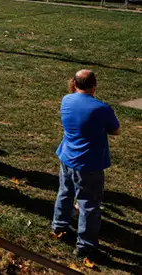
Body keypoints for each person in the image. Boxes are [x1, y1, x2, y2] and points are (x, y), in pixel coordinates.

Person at [51, 70, 120, 260]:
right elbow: (116, 130)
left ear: (74, 83)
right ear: (94, 84)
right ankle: (85, 245)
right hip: (88, 163)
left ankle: (59, 226)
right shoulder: (101, 108)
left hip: (67, 156)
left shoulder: (66, 100)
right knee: (89, 204)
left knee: (65, 192)